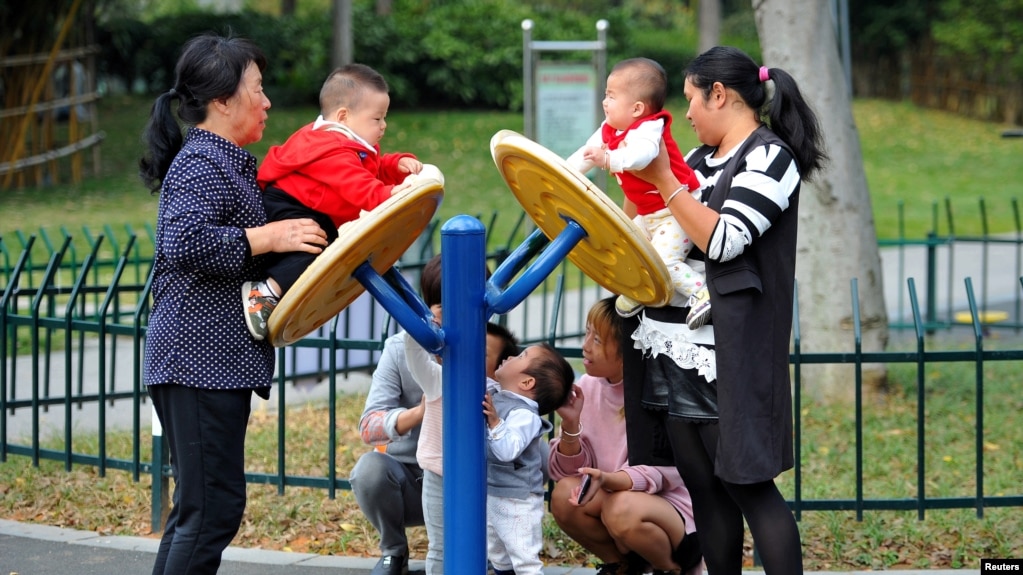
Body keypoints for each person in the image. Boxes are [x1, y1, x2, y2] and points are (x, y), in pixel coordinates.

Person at [622, 46, 827, 574]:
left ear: (721, 94)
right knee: (705, 489)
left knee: (748, 485)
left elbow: (725, 240)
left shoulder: (769, 156)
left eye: (691, 100)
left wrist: (666, 180)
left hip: (727, 351)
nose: (684, 114)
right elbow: (659, 232)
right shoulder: (695, 162)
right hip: (671, 342)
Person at [138, 34, 328, 575]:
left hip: (209, 364)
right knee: (211, 511)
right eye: (257, 89)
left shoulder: (227, 161)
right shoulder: (201, 162)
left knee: (200, 511)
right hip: (196, 363)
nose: (267, 102)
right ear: (222, 101)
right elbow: (183, 241)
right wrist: (268, 238)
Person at [243, 63, 427, 340]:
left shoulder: (348, 144)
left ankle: (276, 288)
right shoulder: (329, 151)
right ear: (343, 116)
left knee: (322, 249)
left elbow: (371, 168)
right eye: (377, 119)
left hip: (311, 209)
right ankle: (264, 292)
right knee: (313, 252)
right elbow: (362, 189)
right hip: (289, 207)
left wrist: (396, 164)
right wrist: (392, 195)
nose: (384, 125)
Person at [549, 297, 702, 575]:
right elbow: (567, 473)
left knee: (621, 508)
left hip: (668, 511)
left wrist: (609, 480)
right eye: (587, 333)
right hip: (612, 496)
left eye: (597, 340)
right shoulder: (587, 386)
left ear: (626, 348)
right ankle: (622, 566)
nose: (585, 346)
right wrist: (570, 426)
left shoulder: (657, 390)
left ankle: (670, 568)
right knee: (563, 495)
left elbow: (666, 473)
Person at [567, 58, 708, 328]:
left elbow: (641, 157)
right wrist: (561, 174)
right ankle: (639, 292)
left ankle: (701, 293)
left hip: (676, 211)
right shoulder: (610, 129)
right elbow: (586, 155)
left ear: (637, 108)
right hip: (649, 213)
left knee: (664, 262)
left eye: (611, 96)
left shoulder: (650, 128)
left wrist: (608, 159)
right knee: (627, 249)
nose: (604, 102)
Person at [349, 254, 443, 575]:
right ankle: (394, 551)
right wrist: (421, 411)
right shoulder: (401, 349)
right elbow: (370, 426)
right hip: (412, 478)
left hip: (466, 478)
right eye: (440, 303)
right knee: (369, 469)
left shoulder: (491, 346)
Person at [405, 320, 520, 575]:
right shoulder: (440, 380)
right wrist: (415, 331)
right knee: (439, 546)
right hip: (439, 475)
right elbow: (415, 360)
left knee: (481, 545)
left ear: (499, 368)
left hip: (483, 479)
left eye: (482, 351)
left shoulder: (500, 397)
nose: (467, 352)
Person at [482, 343, 575, 575]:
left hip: (518, 502)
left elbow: (507, 451)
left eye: (521, 356)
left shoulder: (525, 415)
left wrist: (495, 423)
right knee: (499, 557)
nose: (511, 355)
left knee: (524, 561)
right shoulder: (497, 393)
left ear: (526, 383)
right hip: (494, 492)